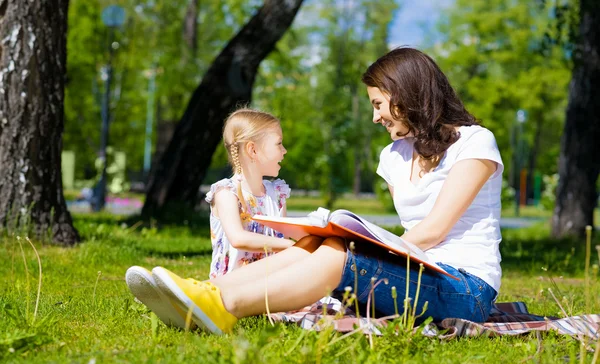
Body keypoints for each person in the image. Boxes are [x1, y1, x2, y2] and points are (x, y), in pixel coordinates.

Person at [138, 47, 504, 335]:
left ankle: (225, 306)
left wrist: (368, 245)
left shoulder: (474, 143)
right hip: (416, 272)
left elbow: (434, 230)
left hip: (464, 288)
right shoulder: (393, 156)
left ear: (406, 95)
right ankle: (204, 293)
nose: (376, 117)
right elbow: (414, 235)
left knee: (336, 254)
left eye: (378, 104)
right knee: (320, 242)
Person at [125, 108, 297, 329]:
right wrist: (288, 245)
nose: (284, 151)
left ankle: (178, 299)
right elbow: (238, 238)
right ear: (253, 150)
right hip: (233, 283)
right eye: (278, 144)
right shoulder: (226, 192)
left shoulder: (277, 194)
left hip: (273, 282)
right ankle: (186, 297)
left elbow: (286, 234)